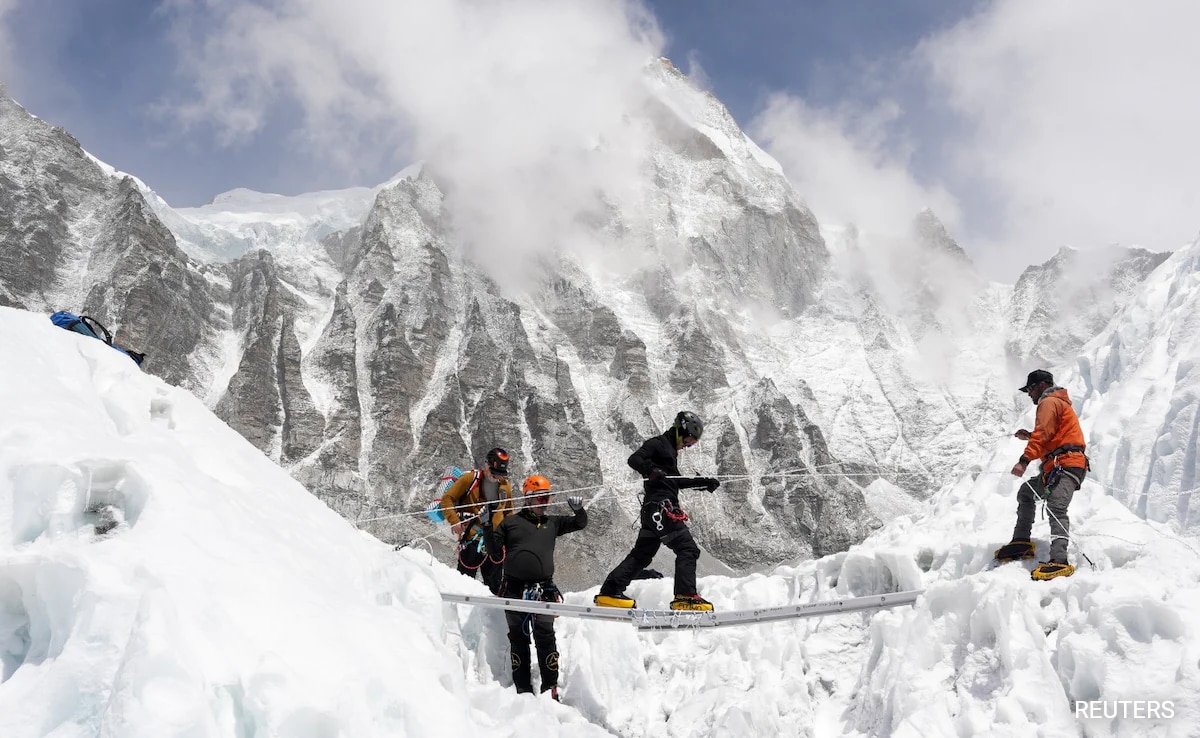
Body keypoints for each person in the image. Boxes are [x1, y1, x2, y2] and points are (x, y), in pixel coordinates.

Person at [594, 411, 720, 611]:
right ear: (680, 430)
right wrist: (651, 470)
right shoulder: (659, 443)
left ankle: (610, 591)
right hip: (661, 508)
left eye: (692, 444)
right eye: (688, 441)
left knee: (641, 556)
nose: (687, 446)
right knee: (687, 549)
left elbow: (675, 481)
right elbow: (634, 459)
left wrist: (703, 482)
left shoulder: (670, 451)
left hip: (652, 511)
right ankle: (685, 595)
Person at [481, 474, 587, 700]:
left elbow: (580, 523)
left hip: (544, 590)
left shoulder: (553, 523)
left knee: (545, 638)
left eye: (547, 498)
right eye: (540, 498)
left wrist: (579, 510)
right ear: (528, 499)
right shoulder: (510, 524)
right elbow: (493, 553)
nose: (545, 502)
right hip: (514, 589)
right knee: (518, 639)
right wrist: (488, 525)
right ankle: (523, 689)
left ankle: (550, 688)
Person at [995, 370, 1088, 580]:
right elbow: (1049, 437)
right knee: (1027, 493)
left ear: (1043, 385)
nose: (1029, 394)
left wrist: (1023, 461)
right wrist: (1029, 436)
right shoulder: (1056, 403)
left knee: (1056, 506)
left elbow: (1043, 435)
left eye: (1030, 389)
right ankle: (1021, 541)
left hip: (1066, 464)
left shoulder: (1049, 402)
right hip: (1059, 465)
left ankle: (1059, 560)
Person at [439, 447, 514, 593]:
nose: (497, 477)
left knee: (495, 588)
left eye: (500, 474)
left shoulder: (505, 487)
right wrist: (454, 521)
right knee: (463, 585)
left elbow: (508, 512)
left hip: (496, 544)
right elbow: (447, 499)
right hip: (472, 541)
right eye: (494, 473)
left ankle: (491, 614)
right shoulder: (470, 479)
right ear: (486, 465)